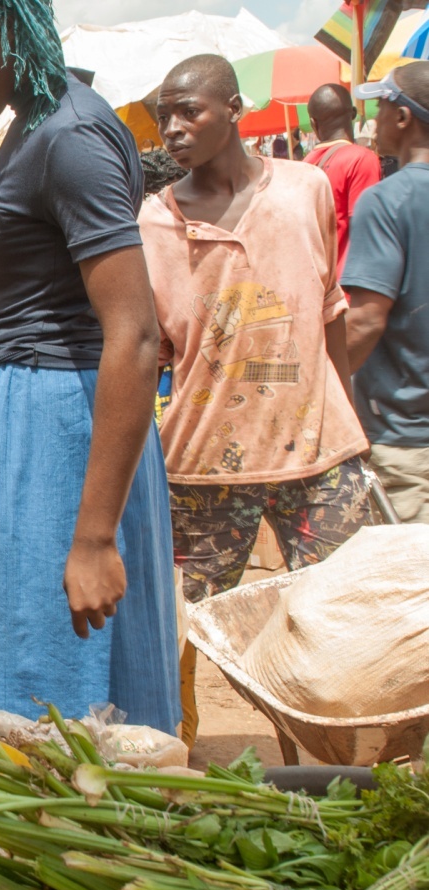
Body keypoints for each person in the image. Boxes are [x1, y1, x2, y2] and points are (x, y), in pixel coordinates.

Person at [0, 0, 181, 731]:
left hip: (64, 426)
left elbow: (136, 333)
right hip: (24, 418)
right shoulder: (31, 126)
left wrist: (93, 536)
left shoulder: (72, 133)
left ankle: (82, 827)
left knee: (61, 665)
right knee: (19, 634)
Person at [146, 54, 371, 605]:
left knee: (343, 613)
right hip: (202, 467)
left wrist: (348, 426)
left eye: (189, 112)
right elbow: (152, 354)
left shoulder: (305, 190)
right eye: (164, 117)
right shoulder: (153, 225)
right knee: (187, 623)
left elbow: (328, 311)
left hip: (319, 457)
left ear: (234, 108)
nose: (173, 129)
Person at [344, 63, 429, 523]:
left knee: (412, 586)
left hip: (405, 435)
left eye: (379, 104)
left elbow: (366, 319)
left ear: (403, 117)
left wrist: (328, 394)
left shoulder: (385, 200)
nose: (371, 118)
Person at [306, 83, 383, 275]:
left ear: (314, 123)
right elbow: (367, 231)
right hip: (347, 288)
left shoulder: (303, 165)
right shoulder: (362, 160)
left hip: (316, 283)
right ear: (354, 114)